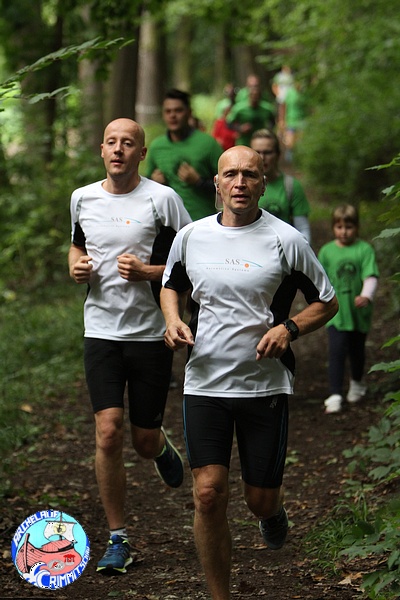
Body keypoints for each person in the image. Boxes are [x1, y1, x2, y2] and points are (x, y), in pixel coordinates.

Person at [160, 145, 338, 600]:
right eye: (231, 174)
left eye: (250, 175)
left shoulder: (286, 240)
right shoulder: (191, 236)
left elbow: (327, 301)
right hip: (204, 383)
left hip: (265, 386)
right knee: (208, 494)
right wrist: (172, 320)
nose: (240, 182)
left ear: (263, 184)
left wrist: (289, 328)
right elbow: (171, 285)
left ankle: (271, 512)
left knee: (259, 499)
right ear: (216, 184)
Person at [68, 118, 192, 574]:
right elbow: (76, 246)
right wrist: (76, 266)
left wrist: (147, 272)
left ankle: (158, 447)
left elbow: (193, 259)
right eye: (112, 142)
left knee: (141, 439)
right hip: (100, 330)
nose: (119, 149)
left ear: (142, 153)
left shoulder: (163, 200)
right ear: (102, 150)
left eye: (128, 143)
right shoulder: (82, 198)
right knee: (107, 430)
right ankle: (118, 537)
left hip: (149, 333)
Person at [318, 204, 379, 414]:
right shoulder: (327, 251)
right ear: (333, 227)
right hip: (335, 312)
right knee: (336, 351)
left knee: (356, 350)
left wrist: (366, 295)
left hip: (358, 312)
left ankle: (357, 383)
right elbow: (319, 278)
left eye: (349, 227)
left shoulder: (364, 249)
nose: (344, 232)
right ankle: (335, 393)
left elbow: (370, 276)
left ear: (357, 227)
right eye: (339, 227)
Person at [146, 89, 223, 221]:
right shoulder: (156, 146)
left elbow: (228, 184)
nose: (172, 116)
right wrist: (153, 182)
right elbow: (145, 188)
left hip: (201, 222)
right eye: (168, 111)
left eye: (178, 110)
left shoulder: (209, 144)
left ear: (189, 113)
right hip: (167, 223)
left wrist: (199, 182)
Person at [250, 129, 311, 242]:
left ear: (278, 154)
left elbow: (302, 229)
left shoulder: (291, 186)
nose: (262, 157)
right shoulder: (242, 186)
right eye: (257, 152)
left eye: (268, 152)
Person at [271, 65, 294, 138]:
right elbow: (274, 86)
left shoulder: (292, 76)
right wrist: (278, 94)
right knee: (281, 115)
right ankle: (281, 130)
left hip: (290, 99)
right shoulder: (279, 76)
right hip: (281, 98)